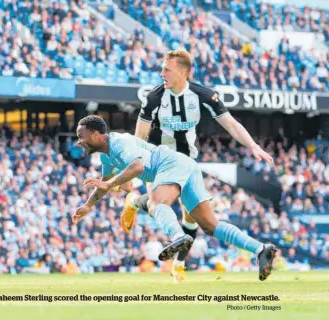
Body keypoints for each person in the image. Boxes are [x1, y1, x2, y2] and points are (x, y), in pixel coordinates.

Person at [122, 50, 273, 282]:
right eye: (162, 68)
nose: (161, 73)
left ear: (182, 72)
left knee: (205, 222)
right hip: (159, 162)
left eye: (167, 69)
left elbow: (231, 124)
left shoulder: (203, 95)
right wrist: (133, 172)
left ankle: (260, 249)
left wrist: (253, 146)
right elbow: (139, 138)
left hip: (187, 163)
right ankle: (140, 208)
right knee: (160, 204)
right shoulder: (154, 98)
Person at [71, 116, 277, 281]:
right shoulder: (106, 156)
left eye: (82, 136)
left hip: (170, 165)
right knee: (209, 225)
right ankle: (260, 249)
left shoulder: (119, 142)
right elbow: (104, 182)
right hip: (186, 166)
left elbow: (137, 167)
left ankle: (178, 237)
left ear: (97, 134)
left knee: (157, 202)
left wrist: (110, 184)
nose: (79, 141)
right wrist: (88, 205)